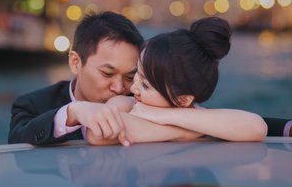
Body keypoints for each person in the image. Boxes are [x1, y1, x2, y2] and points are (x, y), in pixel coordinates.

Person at [8, 12, 291, 145]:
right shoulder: (30, 105)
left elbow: (224, 119)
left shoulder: (141, 97)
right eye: (107, 73)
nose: (122, 87)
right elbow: (19, 143)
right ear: (75, 62)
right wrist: (74, 112)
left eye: (133, 76)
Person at [87, 17, 268, 145]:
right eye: (137, 73)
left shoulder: (193, 116)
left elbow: (257, 127)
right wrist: (189, 132)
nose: (132, 88)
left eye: (145, 85)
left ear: (182, 100)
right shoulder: (124, 104)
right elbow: (97, 134)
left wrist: (165, 116)